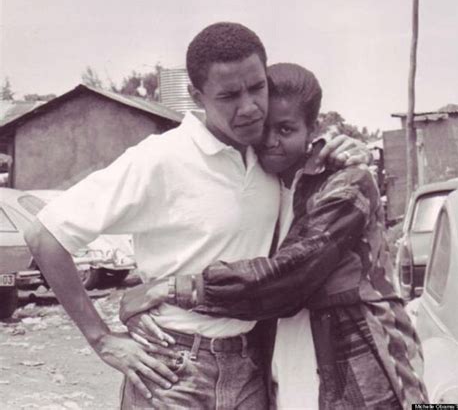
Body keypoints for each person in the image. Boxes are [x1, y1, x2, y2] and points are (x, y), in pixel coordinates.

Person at [24, 23, 367, 409]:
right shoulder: (161, 159)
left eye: (257, 87)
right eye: (229, 96)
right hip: (174, 368)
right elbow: (44, 234)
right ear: (196, 96)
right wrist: (101, 339)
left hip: (253, 367)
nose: (250, 107)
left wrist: (343, 150)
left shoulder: (269, 155)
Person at [121, 63, 428, 409]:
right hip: (282, 357)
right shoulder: (260, 184)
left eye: (285, 129)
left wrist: (167, 289)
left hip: (356, 355)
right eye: (264, 128)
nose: (270, 141)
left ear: (312, 129)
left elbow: (288, 278)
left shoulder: (345, 182)